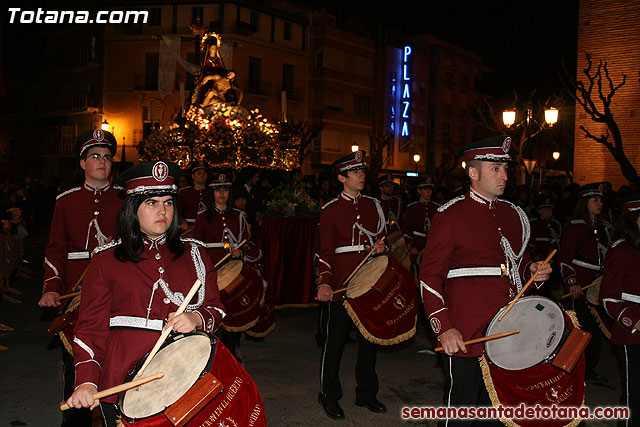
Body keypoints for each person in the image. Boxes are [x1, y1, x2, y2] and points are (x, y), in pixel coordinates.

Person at [65, 160, 225, 427]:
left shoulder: (196, 253)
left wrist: (196, 319)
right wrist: (87, 381)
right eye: (151, 203)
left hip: (187, 371)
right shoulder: (106, 260)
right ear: (132, 209)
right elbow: (90, 329)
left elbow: (216, 309)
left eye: (168, 202)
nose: (162, 210)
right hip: (123, 380)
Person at [419, 136, 551, 426]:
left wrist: (534, 271)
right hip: (466, 332)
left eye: (506, 169)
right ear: (473, 173)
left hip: (510, 330)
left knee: (500, 412)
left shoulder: (514, 214)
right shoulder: (450, 216)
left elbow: (520, 262)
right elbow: (429, 276)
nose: (505, 176)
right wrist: (444, 326)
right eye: (495, 169)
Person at [38, 129, 123, 427]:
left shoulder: (127, 200)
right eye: (95, 156)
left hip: (117, 296)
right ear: (82, 163)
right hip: (75, 298)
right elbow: (55, 249)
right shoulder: (66, 201)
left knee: (118, 364)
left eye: (107, 157)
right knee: (76, 365)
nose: (102, 162)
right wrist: (51, 289)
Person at [314, 150, 387, 420]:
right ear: (342, 177)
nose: (361, 176)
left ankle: (366, 393)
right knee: (335, 344)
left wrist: (381, 247)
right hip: (341, 286)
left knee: (370, 342)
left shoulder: (374, 206)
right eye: (355, 173)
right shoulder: (330, 210)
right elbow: (325, 251)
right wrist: (325, 283)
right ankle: (329, 396)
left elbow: (384, 239)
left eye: (363, 172)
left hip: (368, 285)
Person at [193, 172, 262, 358]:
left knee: (236, 309)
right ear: (212, 192)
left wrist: (241, 253)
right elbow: (196, 247)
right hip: (212, 271)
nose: (221, 193)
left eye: (224, 189)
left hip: (235, 268)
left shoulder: (238, 216)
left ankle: (231, 348)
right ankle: (216, 351)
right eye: (217, 190)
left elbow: (249, 245)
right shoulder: (203, 216)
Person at [558, 183, 612, 382]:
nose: (599, 203)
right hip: (580, 286)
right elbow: (564, 258)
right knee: (580, 331)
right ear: (584, 202)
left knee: (595, 332)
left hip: (598, 286)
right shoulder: (575, 227)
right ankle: (569, 371)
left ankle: (588, 370)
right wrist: (572, 282)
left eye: (600, 200)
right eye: (594, 200)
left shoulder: (604, 227)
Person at [600, 193, 640, 427]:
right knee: (633, 394)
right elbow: (608, 297)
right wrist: (633, 320)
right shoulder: (621, 250)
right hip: (632, 333)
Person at [403, 177, 439, 268]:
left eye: (430, 189)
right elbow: (407, 229)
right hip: (417, 244)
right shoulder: (412, 208)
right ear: (419, 191)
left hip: (433, 245)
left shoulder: (437, 208)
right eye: (425, 189)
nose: (428, 192)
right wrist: (411, 245)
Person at [178, 160, 209, 231]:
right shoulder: (184, 192)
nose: (202, 175)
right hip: (189, 227)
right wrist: (182, 221)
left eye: (204, 173)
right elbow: (178, 210)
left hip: (208, 227)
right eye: (199, 173)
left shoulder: (211, 192)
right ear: (193, 176)